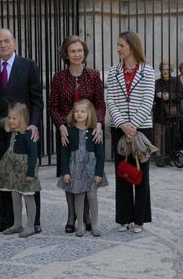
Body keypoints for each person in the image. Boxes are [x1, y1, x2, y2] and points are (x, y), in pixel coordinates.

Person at [0, 28, 43, 233]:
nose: (3, 45)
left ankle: (34, 222)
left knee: (28, 174)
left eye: (7, 41)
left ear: (14, 42)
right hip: (0, 131)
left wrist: (33, 124)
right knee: (3, 175)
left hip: (24, 131)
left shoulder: (28, 65)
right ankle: (7, 220)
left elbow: (37, 99)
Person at [48, 35, 105, 233]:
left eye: (79, 50)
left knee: (88, 174)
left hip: (89, 131)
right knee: (70, 175)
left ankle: (87, 216)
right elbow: (52, 106)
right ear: (66, 54)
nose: (77, 54)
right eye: (72, 51)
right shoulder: (59, 77)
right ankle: (72, 216)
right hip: (67, 132)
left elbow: (100, 104)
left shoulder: (93, 75)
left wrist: (98, 123)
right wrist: (61, 126)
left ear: (84, 52)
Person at [106, 31, 155, 233]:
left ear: (132, 47)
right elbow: (110, 100)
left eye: (121, 45)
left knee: (141, 174)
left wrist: (133, 125)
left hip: (142, 128)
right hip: (120, 129)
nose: (118, 49)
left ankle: (140, 220)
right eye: (117, 45)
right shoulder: (113, 71)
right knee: (123, 172)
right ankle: (123, 218)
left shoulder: (148, 71)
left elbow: (147, 100)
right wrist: (122, 124)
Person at [57, 99, 108, 237]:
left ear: (89, 113)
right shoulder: (68, 131)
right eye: (76, 111)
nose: (79, 114)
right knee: (78, 197)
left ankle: (95, 224)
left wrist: (99, 173)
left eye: (82, 111)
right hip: (75, 169)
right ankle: (80, 225)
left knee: (92, 196)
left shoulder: (94, 132)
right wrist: (65, 172)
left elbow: (100, 154)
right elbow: (64, 154)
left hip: (91, 170)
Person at [0, 103, 41, 238]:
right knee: (15, 197)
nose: (10, 121)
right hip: (14, 172)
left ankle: (31, 226)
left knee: (29, 197)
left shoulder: (28, 134)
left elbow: (33, 154)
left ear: (23, 118)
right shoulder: (13, 133)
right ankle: (17, 224)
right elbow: (8, 150)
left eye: (14, 118)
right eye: (9, 118)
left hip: (25, 172)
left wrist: (31, 172)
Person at [153, 60, 183, 157]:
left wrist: (169, 96)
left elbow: (180, 94)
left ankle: (171, 157)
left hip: (173, 113)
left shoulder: (176, 81)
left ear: (171, 70)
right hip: (160, 113)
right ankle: (160, 156)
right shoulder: (157, 82)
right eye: (163, 69)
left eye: (167, 69)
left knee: (172, 135)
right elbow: (151, 96)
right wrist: (158, 95)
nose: (165, 71)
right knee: (159, 135)